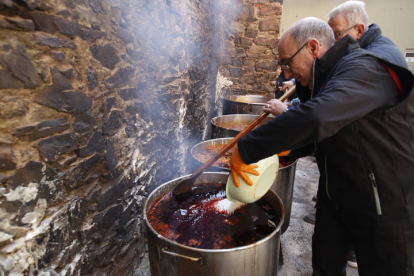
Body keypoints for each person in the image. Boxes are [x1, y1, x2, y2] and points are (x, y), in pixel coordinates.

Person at [229, 16, 414, 275]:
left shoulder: (365, 67)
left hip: (383, 203)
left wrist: (246, 148)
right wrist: (288, 150)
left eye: (287, 62)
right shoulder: (325, 76)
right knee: (325, 269)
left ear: (313, 48)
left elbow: (317, 117)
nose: (287, 73)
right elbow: (331, 133)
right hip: (336, 195)